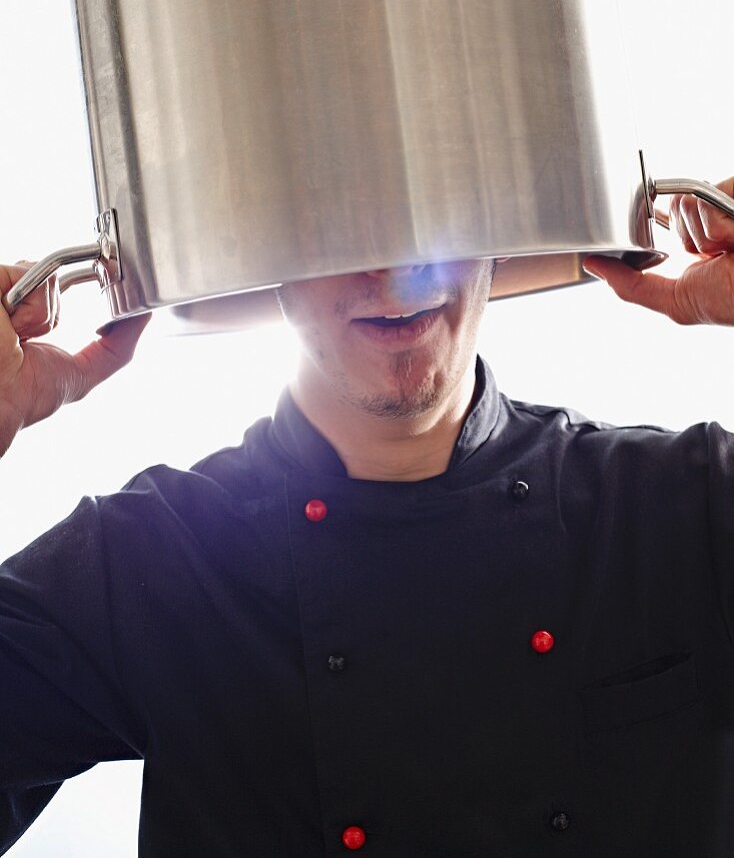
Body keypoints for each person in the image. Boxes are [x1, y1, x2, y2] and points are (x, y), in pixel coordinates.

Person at [0, 183, 733, 857]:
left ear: (499, 237)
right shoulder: (149, 560)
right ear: (263, 257)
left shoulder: (687, 504)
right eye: (334, 229)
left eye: (426, 216)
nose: (389, 281)